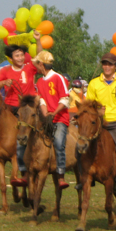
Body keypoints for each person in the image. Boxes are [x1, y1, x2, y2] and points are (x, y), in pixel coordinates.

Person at [0, 32, 43, 186]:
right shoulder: (5, 70)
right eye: (17, 55)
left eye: (22, 55)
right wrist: (3, 83)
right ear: (11, 58)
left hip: (27, 106)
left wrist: (39, 40)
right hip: (10, 106)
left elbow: (41, 56)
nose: (20, 58)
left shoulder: (30, 67)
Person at [85, 53, 116, 200]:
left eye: (110, 64)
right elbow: (88, 105)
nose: (107, 66)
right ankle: (85, 178)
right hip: (98, 123)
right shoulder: (94, 83)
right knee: (80, 146)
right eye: (105, 63)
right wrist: (97, 111)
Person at [33, 51, 70, 189]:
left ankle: (61, 175)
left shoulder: (58, 77)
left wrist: (54, 112)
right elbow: (41, 99)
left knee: (59, 143)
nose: (36, 67)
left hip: (60, 117)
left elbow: (65, 99)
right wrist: (45, 113)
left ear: (41, 64)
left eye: (37, 64)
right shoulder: (40, 81)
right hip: (47, 117)